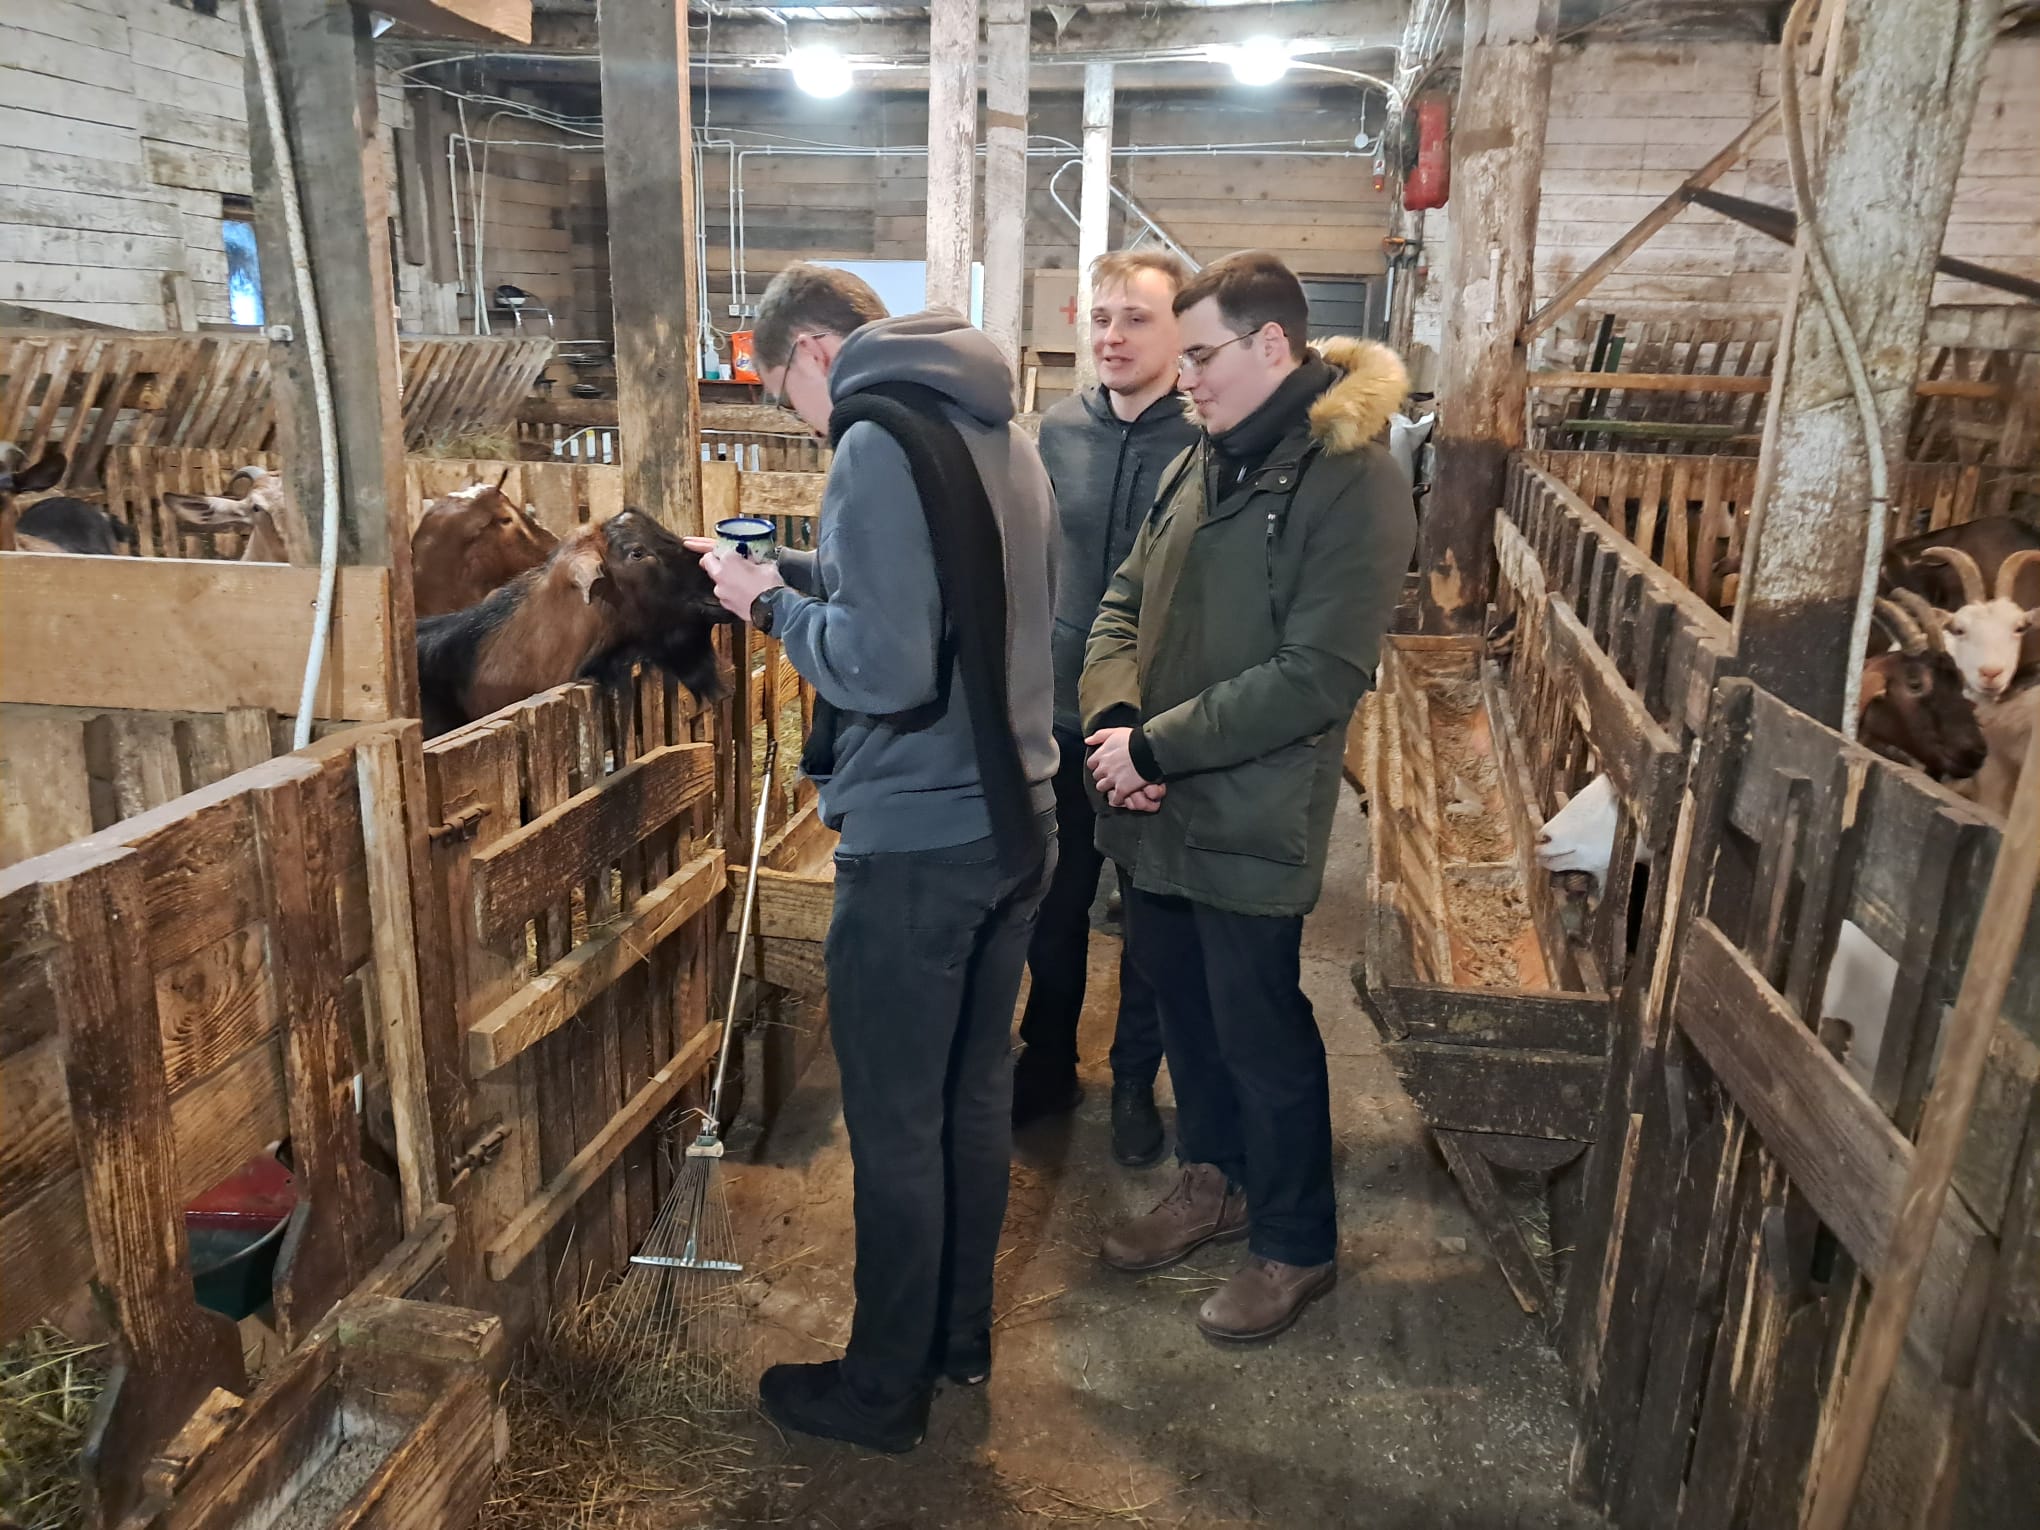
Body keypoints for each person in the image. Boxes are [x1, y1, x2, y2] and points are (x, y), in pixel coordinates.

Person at [692, 264, 1059, 1449]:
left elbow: (884, 666)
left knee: (895, 1126)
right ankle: (956, 1341)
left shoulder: (873, 439)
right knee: (971, 1101)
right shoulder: (1000, 430)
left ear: (809, 350)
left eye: (782, 394)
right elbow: (952, 599)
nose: (805, 422)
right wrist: (778, 574)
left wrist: (768, 612)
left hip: (920, 842)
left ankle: (881, 1387)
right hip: (1017, 819)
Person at [1080, 251, 1415, 1343]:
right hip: (1156, 799)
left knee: (1260, 1028)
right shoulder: (1204, 456)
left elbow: (1318, 673)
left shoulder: (1353, 479)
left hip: (1249, 808)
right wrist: (1114, 721)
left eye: (1202, 354)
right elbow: (1123, 599)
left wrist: (1155, 748)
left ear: (1272, 345)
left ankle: (1295, 1241)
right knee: (1184, 1009)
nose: (1185, 376)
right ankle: (1213, 1180)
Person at [1012, 249, 1198, 1166]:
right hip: (1058, 711)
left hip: (1157, 724)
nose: (1113, 336)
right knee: (1056, 904)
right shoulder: (1055, 432)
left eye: (1136, 318)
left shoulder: (1204, 442)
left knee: (1151, 913)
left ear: (1179, 331)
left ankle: (1133, 1081)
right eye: (1101, 318)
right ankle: (1048, 1058)